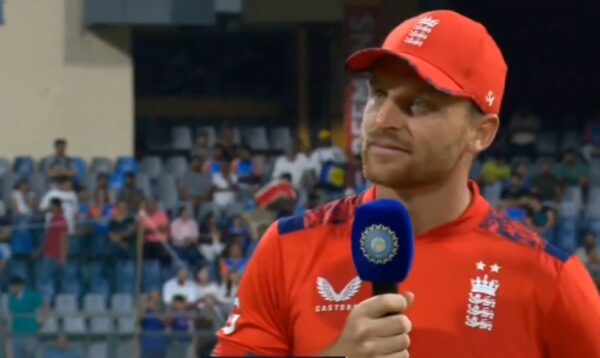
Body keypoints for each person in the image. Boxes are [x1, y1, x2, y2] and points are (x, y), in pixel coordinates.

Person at [213, 10, 600, 357]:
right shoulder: (287, 249)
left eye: (419, 104)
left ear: (481, 133)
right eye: (379, 94)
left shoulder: (551, 280)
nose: (383, 120)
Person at [8, 276, 47, 358]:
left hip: (30, 332)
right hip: (16, 332)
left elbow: (46, 305)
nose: (13, 288)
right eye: (12, 286)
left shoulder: (31, 296)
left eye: (15, 286)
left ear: (21, 286)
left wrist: (43, 321)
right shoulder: (10, 298)